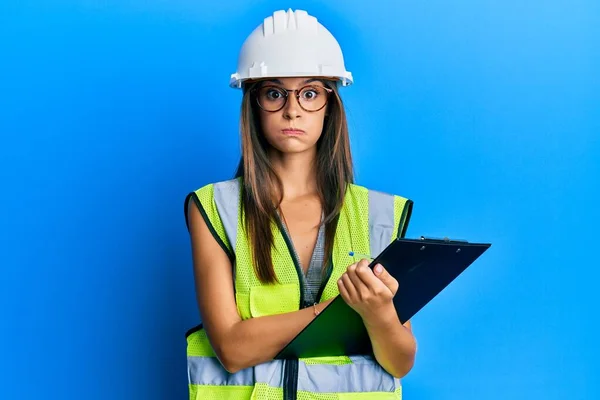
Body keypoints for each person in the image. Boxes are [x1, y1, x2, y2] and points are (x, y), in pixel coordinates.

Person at [184, 9, 417, 400]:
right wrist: (339, 310)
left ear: (330, 104)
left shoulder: (380, 215)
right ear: (253, 104)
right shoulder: (214, 208)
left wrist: (378, 316)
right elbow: (231, 347)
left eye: (309, 93)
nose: (293, 110)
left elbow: (400, 361)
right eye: (275, 93)